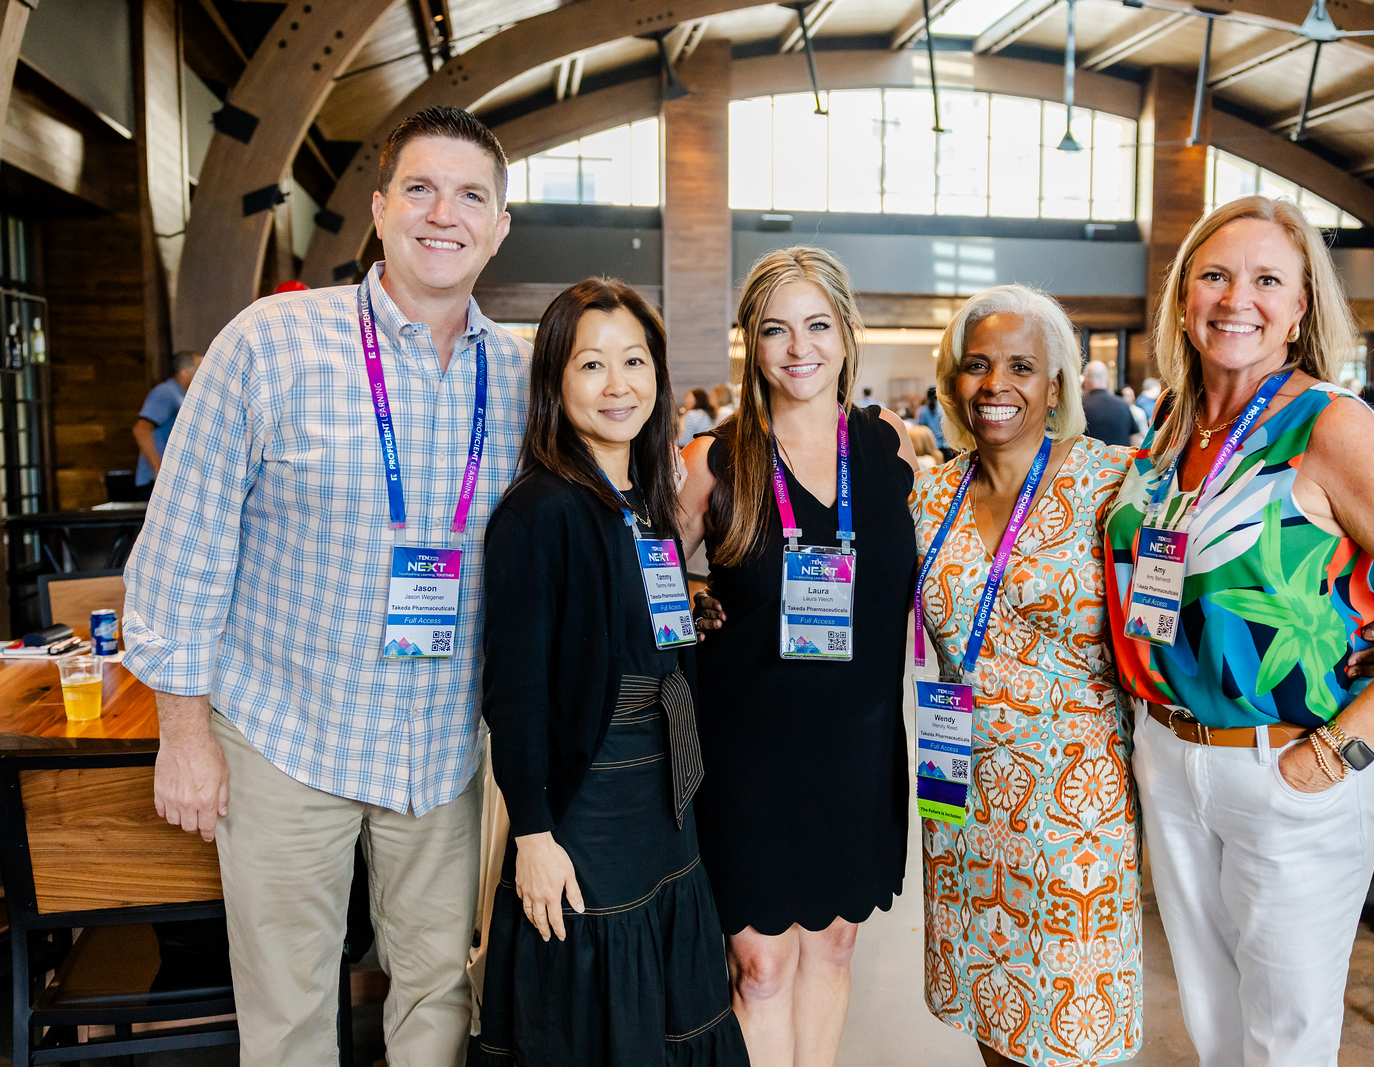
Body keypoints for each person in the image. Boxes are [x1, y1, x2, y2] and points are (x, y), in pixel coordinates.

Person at [123, 105, 527, 1065]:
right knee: (289, 1010)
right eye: (420, 189)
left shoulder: (523, 372)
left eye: (471, 196)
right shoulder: (271, 342)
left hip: (443, 746)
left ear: (499, 227)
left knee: (440, 992)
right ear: (380, 209)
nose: (445, 214)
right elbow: (184, 545)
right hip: (286, 733)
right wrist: (184, 734)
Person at [1102, 195, 1374, 1066]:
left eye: (1267, 280)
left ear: (1301, 305)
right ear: (1182, 296)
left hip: (1290, 763)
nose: (1236, 298)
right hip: (1171, 754)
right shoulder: (1171, 424)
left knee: (1285, 1038)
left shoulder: (1330, 424)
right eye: (1214, 275)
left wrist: (1337, 751)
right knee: (1211, 1019)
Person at [477, 279, 748, 1065]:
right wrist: (534, 835)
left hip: (663, 801)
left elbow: (625, 617)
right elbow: (515, 691)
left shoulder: (644, 497)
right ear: (556, 382)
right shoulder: (538, 509)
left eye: (633, 360)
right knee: (595, 1026)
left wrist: (688, 610)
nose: (617, 384)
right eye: (591, 364)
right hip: (587, 803)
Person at [676, 246, 917, 1067]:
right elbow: (646, 577)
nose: (798, 347)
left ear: (846, 332)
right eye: (775, 329)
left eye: (817, 325)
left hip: (858, 745)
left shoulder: (891, 446)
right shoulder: (713, 459)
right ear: (752, 341)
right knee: (762, 966)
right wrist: (693, 596)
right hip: (750, 750)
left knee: (835, 945)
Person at [911, 284, 1143, 1066]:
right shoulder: (932, 493)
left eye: (1020, 366)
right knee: (996, 1013)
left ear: (1055, 385)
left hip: (1073, 801)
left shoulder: (1114, 484)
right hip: (961, 793)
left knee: (1070, 1024)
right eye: (977, 364)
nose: (995, 383)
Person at [131, 350, 202, 498]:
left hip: (176, 479)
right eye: (199, 369)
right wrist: (158, 467)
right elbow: (141, 429)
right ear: (184, 372)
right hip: (157, 481)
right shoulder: (165, 393)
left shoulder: (185, 395)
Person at [1080, 359, 1133, 446]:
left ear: (1086, 380)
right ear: (1106, 378)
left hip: (1087, 454)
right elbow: (1134, 439)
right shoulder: (1123, 405)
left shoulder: (1080, 406)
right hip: (1118, 454)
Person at [916, 384, 948, 455]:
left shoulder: (922, 410)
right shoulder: (943, 409)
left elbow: (921, 430)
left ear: (927, 397)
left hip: (930, 446)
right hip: (944, 445)